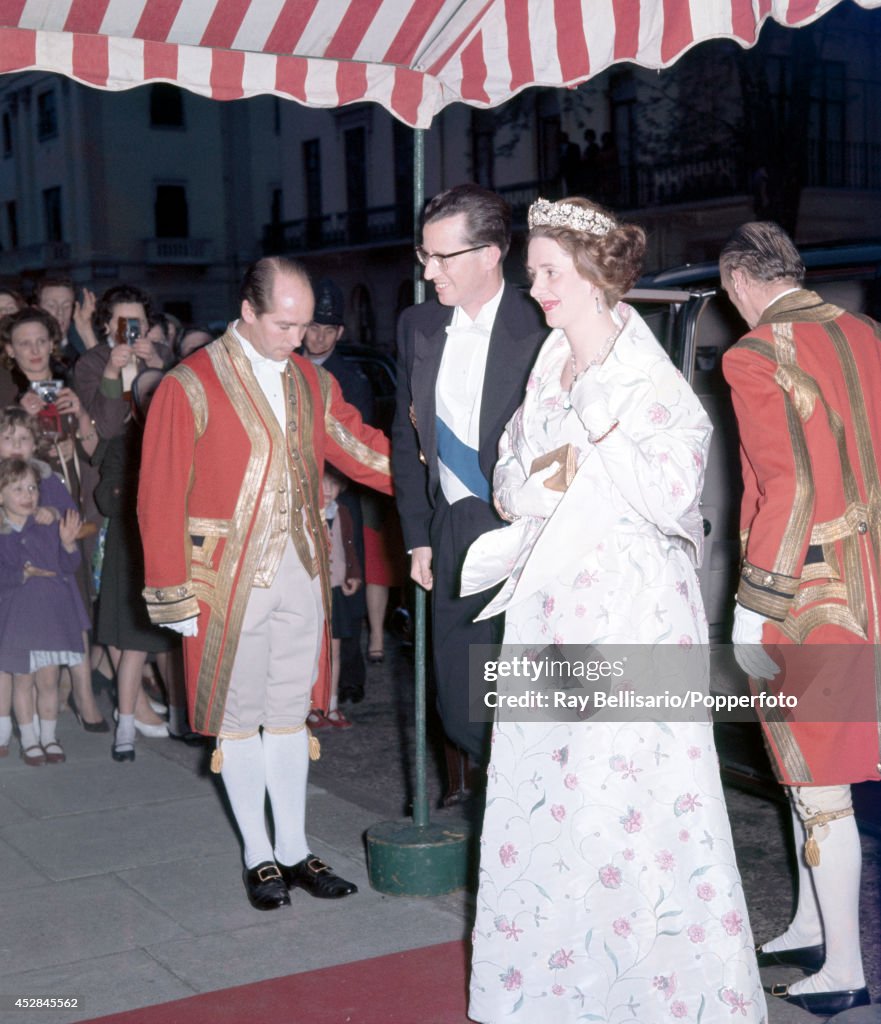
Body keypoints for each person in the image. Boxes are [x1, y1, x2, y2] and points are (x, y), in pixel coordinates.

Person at [461, 197, 766, 1023]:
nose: (537, 292)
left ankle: (650, 990)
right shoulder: (548, 357)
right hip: (549, 613)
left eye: (549, 275)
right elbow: (510, 463)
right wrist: (523, 486)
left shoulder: (644, 376)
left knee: (621, 802)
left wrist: (598, 414)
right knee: (550, 801)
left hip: (626, 613)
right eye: (533, 277)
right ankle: (559, 984)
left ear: (596, 279)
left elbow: (674, 496)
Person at [138, 256, 392, 911]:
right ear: (247, 312)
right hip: (221, 581)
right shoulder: (188, 384)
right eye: (285, 324)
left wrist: (440, 486)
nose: (299, 338)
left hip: (300, 572)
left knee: (286, 717)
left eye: (306, 324)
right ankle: (259, 857)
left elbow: (358, 448)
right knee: (236, 721)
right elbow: (159, 493)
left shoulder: (310, 380)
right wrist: (171, 591)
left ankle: (295, 848)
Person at [721, 220, 880, 1016]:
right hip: (870, 579)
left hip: (809, 596)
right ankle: (809, 921)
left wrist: (755, 605)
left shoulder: (753, 355)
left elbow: (783, 491)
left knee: (819, 782)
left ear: (739, 283)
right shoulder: (865, 332)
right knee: (808, 773)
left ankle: (843, 968)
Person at [392, 183, 546, 795]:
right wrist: (416, 536)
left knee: (532, 690)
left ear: (489, 255)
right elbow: (405, 438)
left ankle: (535, 809)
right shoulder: (417, 324)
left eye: (442, 258)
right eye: (424, 256)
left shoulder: (540, 321)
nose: (428, 271)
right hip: (453, 527)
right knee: (461, 705)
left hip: (528, 533)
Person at [303, 278, 371, 700]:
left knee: (346, 587)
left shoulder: (351, 376)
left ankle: (348, 677)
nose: (320, 336)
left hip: (339, 493)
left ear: (340, 333)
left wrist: (340, 478)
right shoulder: (284, 366)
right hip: (295, 491)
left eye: (328, 329)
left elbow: (362, 436)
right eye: (313, 326)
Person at [0, 457, 87, 766]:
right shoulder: (3, 533)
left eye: (33, 488)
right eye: (18, 489)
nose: (28, 495)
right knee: (22, 682)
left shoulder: (47, 525)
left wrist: (67, 546)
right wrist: (20, 573)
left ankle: (49, 736)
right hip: (19, 620)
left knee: (48, 681)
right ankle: (29, 739)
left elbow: (68, 567)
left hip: (51, 616)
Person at [306, 466, 360, 730]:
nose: (327, 490)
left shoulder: (342, 513)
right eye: (322, 483)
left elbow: (348, 547)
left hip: (335, 589)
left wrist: (353, 574)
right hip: (310, 591)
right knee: (311, 649)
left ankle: (331, 703)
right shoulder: (305, 512)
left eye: (334, 484)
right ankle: (309, 705)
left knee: (334, 650)